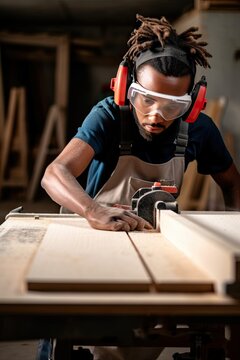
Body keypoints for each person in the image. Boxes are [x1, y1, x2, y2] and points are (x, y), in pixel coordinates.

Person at [39, 14, 240, 360]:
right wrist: (92, 209)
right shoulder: (108, 117)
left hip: (159, 252)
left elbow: (233, 184)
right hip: (94, 247)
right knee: (68, 331)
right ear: (124, 86)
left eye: (173, 106)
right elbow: (54, 173)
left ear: (192, 104)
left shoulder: (199, 131)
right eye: (146, 99)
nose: (156, 115)